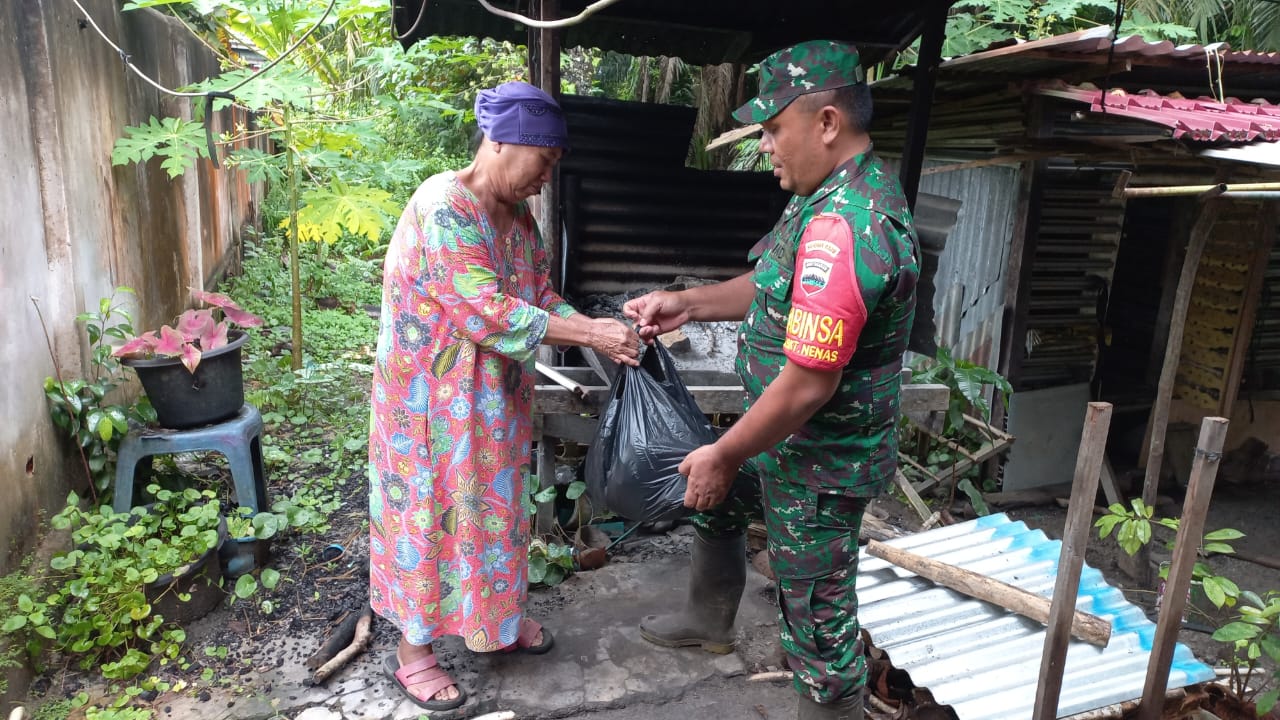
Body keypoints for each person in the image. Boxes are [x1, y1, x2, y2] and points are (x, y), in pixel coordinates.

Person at [623, 40, 919, 720]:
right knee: (718, 497)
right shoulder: (822, 196)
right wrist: (688, 303)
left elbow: (810, 383)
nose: (764, 145)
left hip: (819, 462)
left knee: (816, 622)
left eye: (774, 127)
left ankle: (829, 704)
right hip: (788, 441)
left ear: (827, 122)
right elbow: (771, 283)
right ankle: (708, 618)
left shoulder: (847, 226)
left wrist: (725, 452)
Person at [369, 81, 640, 712]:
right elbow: (484, 310)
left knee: (494, 511)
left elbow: (538, 296)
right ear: (500, 142)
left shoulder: (518, 219)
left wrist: (598, 329)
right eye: (543, 162)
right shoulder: (443, 205)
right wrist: (590, 334)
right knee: (428, 516)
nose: (546, 178)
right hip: (428, 406)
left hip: (493, 401)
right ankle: (413, 652)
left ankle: (495, 620)